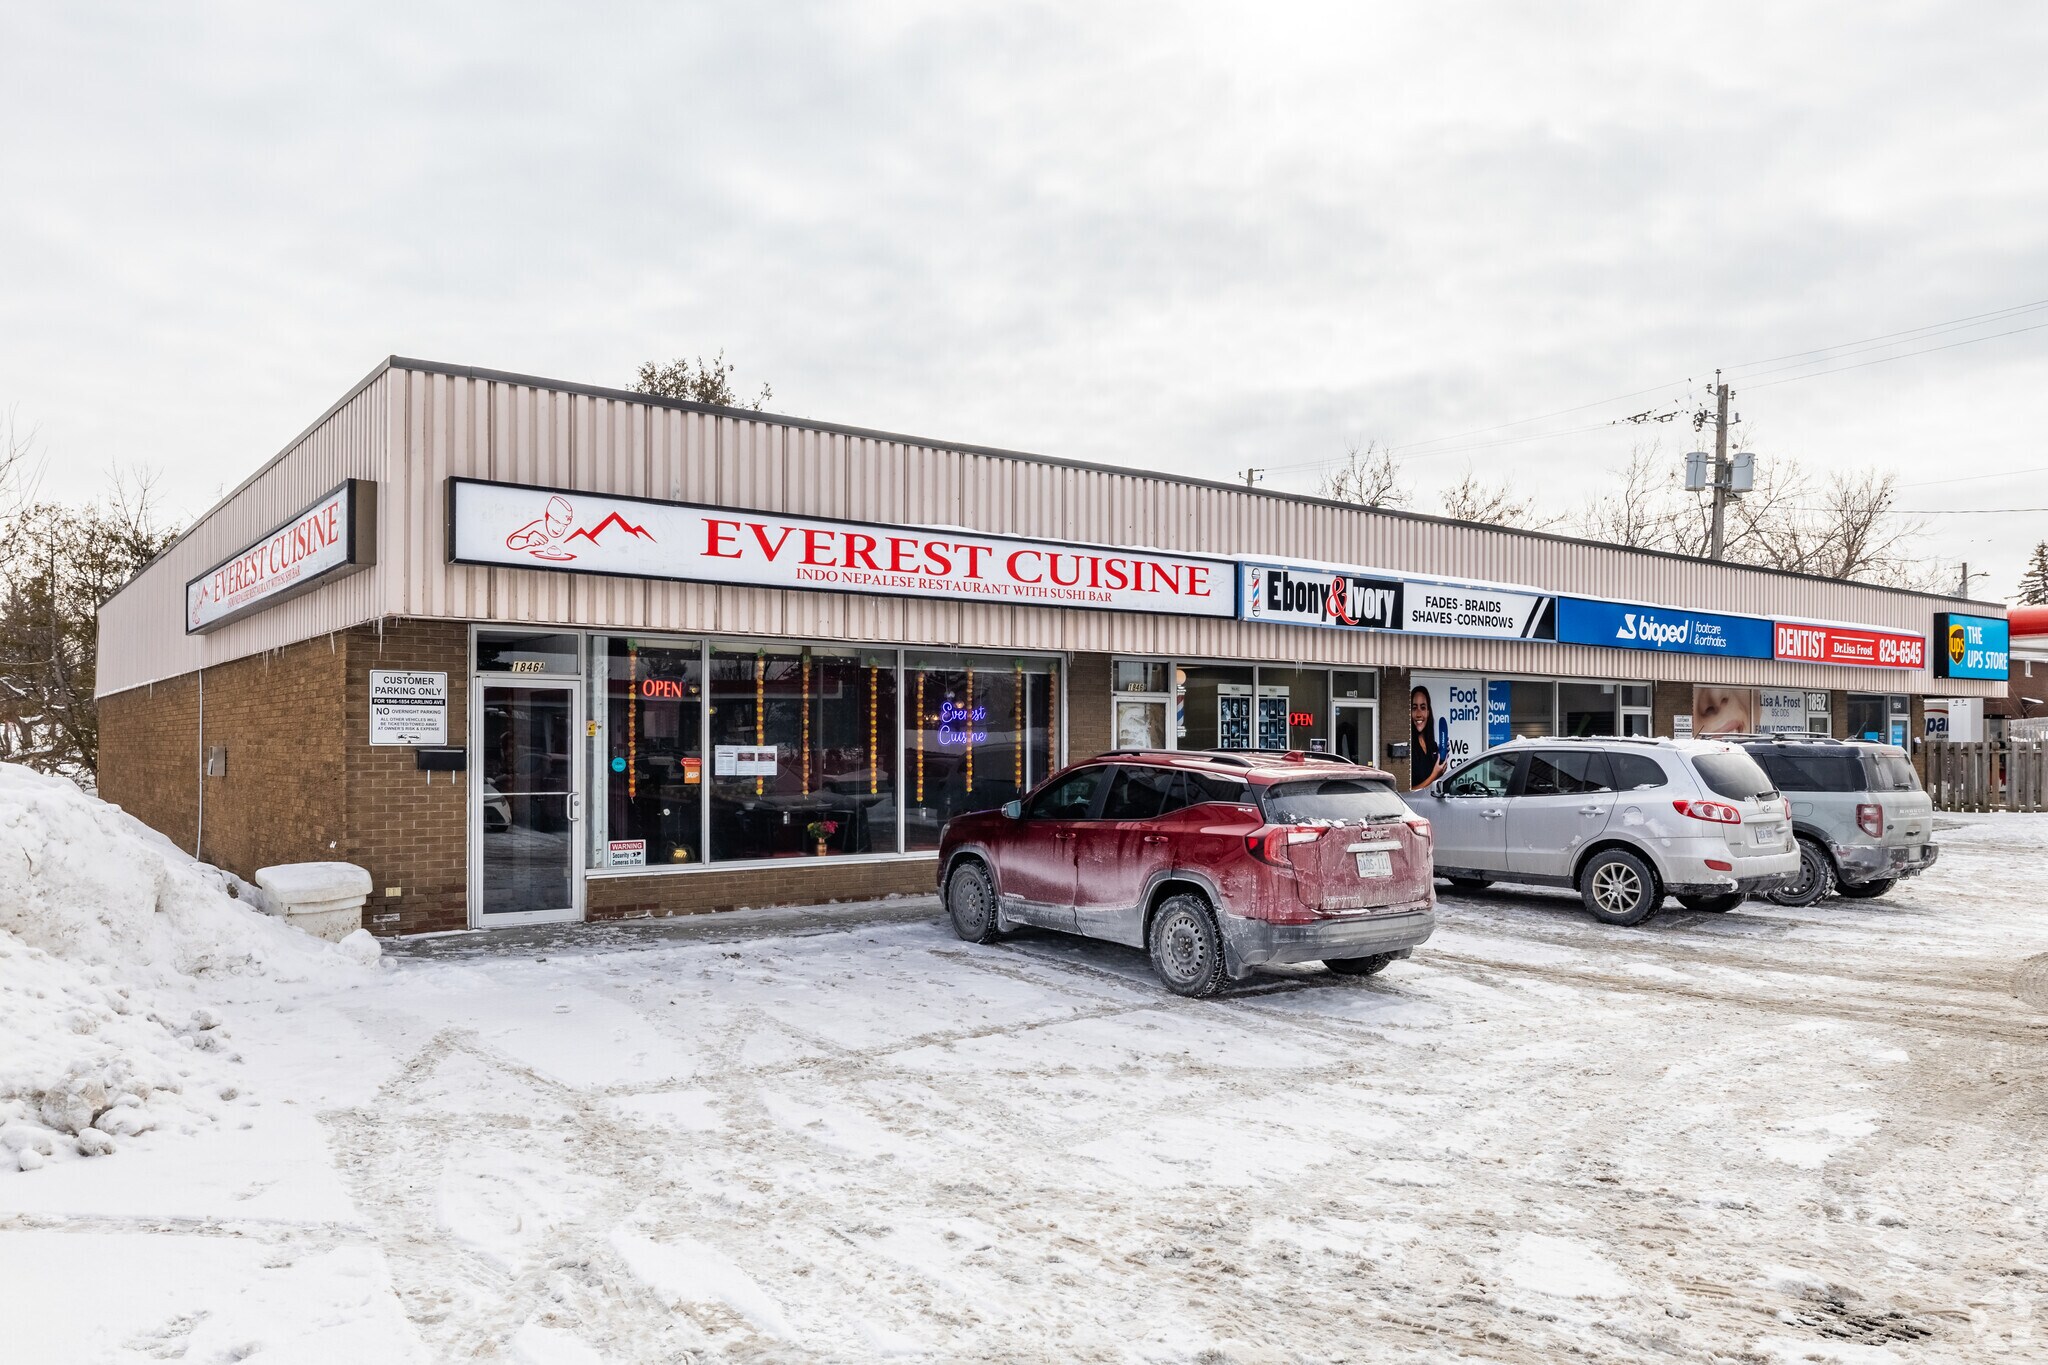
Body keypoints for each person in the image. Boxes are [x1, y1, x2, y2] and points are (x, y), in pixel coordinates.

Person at [1410, 686, 1447, 789]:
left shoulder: (1433, 746)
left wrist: (1442, 762)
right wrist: (1434, 775)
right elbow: (1407, 792)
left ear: (1428, 712)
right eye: (1414, 708)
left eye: (1423, 708)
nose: (1418, 714)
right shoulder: (1408, 748)